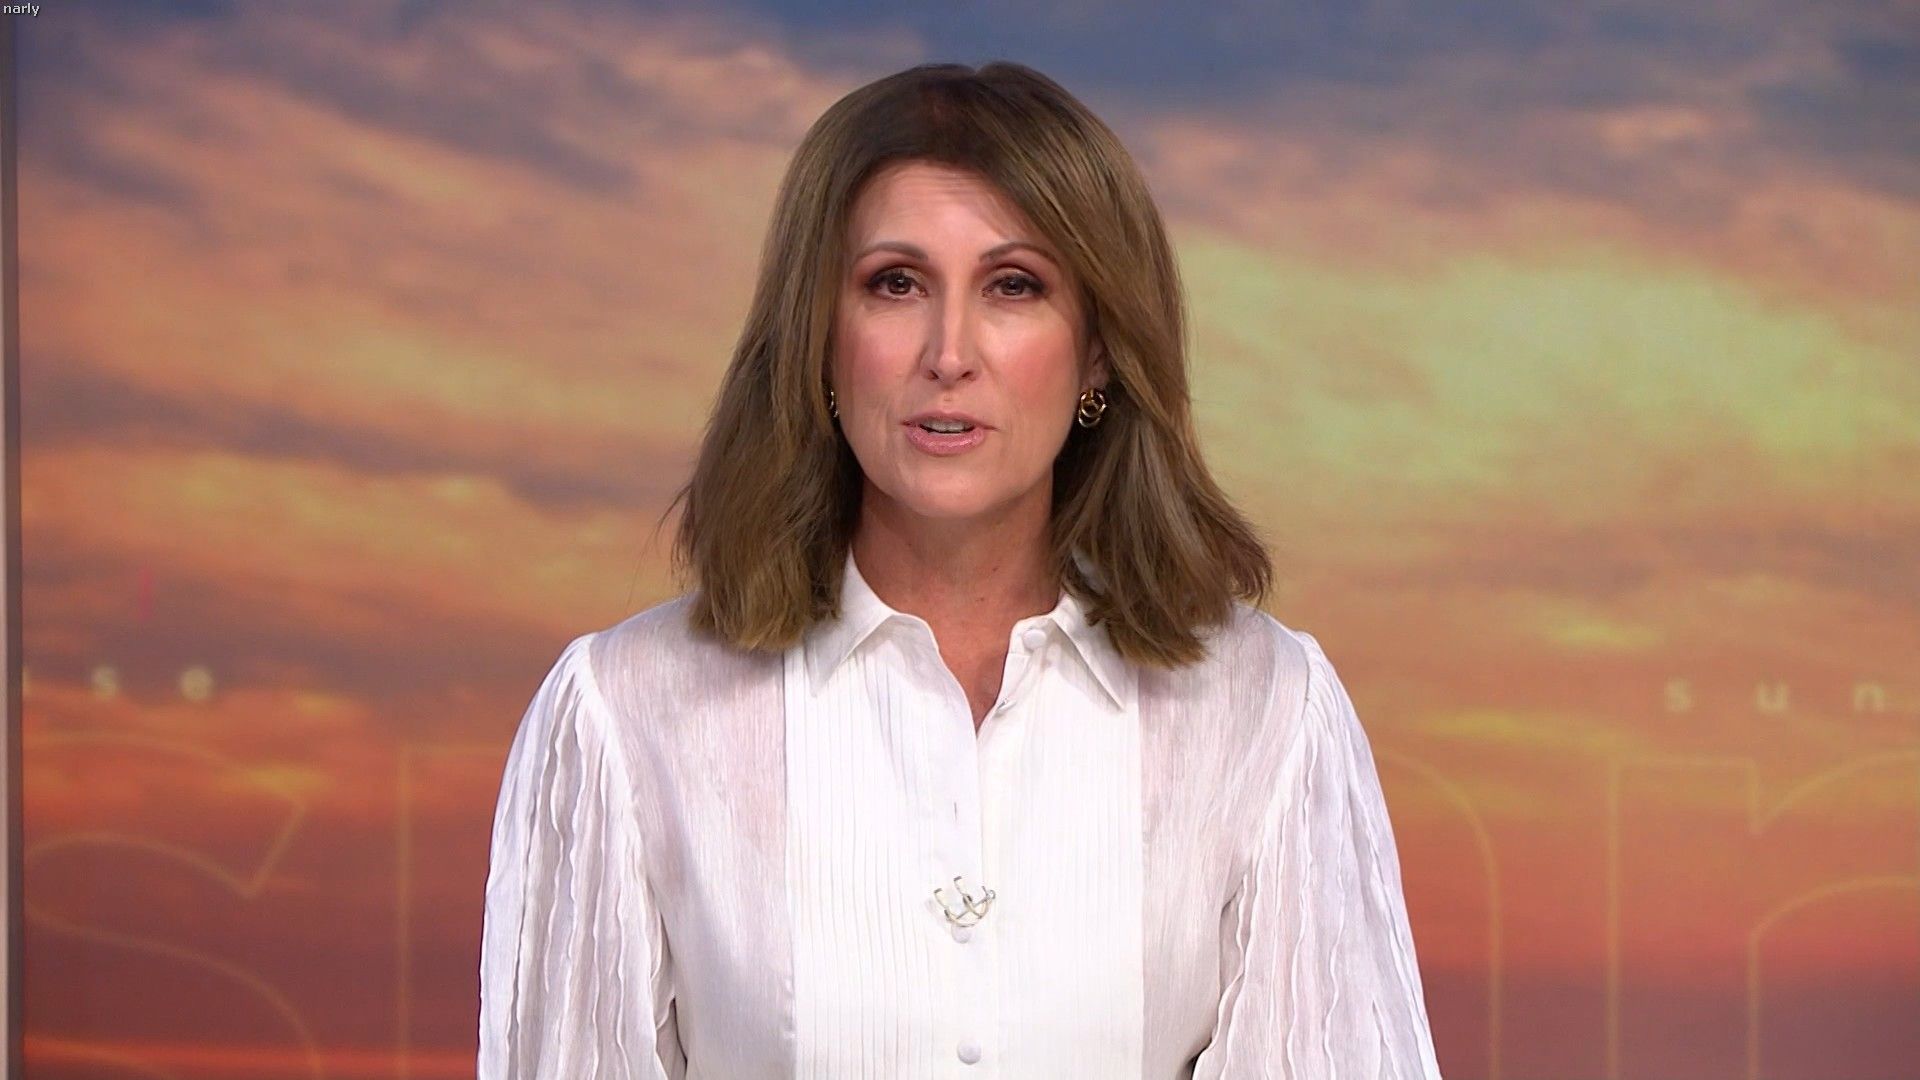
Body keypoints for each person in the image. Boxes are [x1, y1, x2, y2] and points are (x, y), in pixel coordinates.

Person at [478, 60, 1445, 1079]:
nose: (949, 353)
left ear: (1099, 351)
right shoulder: (627, 715)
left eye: (1013, 286)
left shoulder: (1263, 710)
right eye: (895, 284)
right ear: (818, 338)